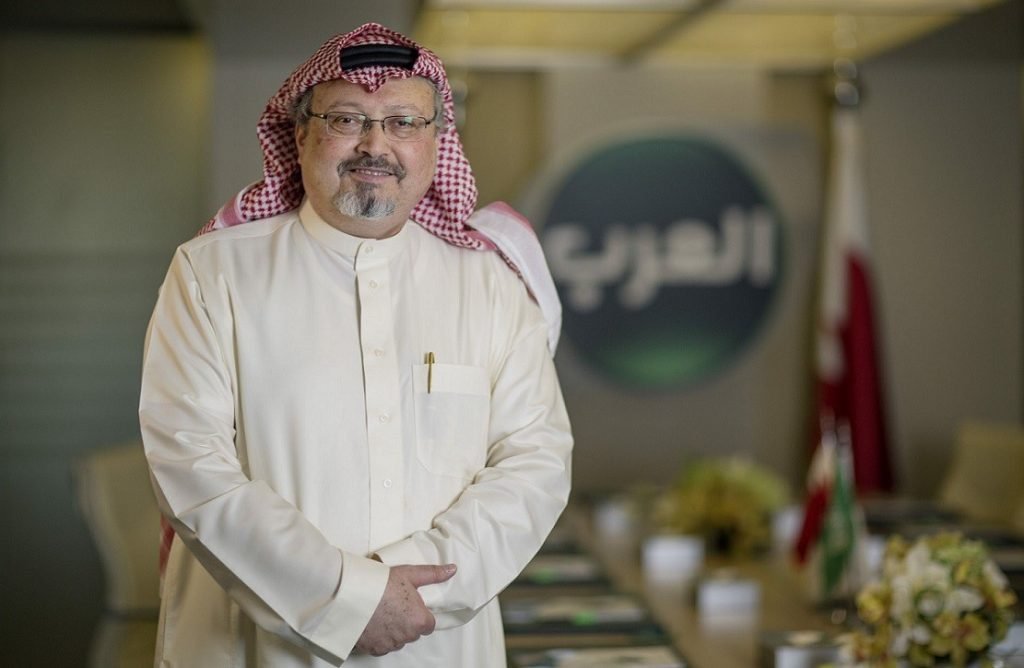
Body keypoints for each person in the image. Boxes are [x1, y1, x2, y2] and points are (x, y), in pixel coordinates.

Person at [139, 22, 572, 667]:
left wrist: (410, 592)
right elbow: (189, 465)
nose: (376, 144)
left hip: (436, 643)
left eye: (404, 122)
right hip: (258, 648)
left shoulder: (491, 286)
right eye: (347, 119)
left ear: (437, 142)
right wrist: (346, 599)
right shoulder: (212, 273)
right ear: (300, 134)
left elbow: (534, 464)